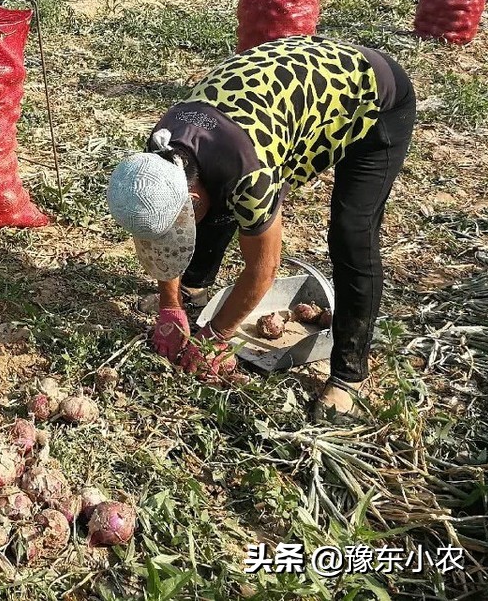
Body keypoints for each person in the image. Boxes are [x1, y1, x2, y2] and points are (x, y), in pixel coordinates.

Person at [106, 35, 415, 419]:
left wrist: (217, 336)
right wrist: (170, 304)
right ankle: (193, 293)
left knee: (352, 231)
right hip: (275, 95)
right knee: (217, 210)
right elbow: (163, 233)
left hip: (373, 97)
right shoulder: (156, 157)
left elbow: (262, 270)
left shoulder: (249, 176)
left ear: (194, 198)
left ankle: (349, 374)